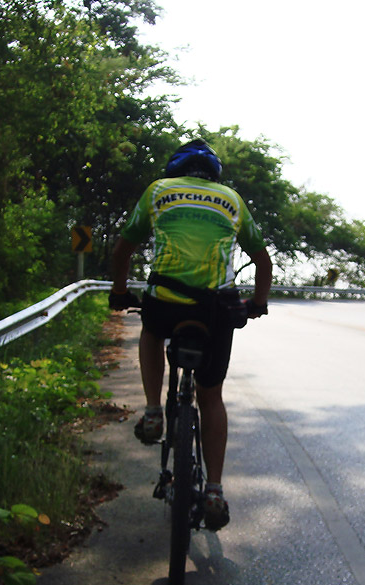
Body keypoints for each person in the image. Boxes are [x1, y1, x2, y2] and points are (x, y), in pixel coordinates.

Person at [109, 139, 272, 531]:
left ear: (175, 170)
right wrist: (257, 303)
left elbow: (124, 249)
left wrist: (119, 292)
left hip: (166, 302)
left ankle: (153, 411)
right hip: (215, 310)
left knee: (151, 330)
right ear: (214, 174)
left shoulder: (159, 191)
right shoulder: (231, 199)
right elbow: (263, 262)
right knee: (211, 397)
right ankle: (214, 491)